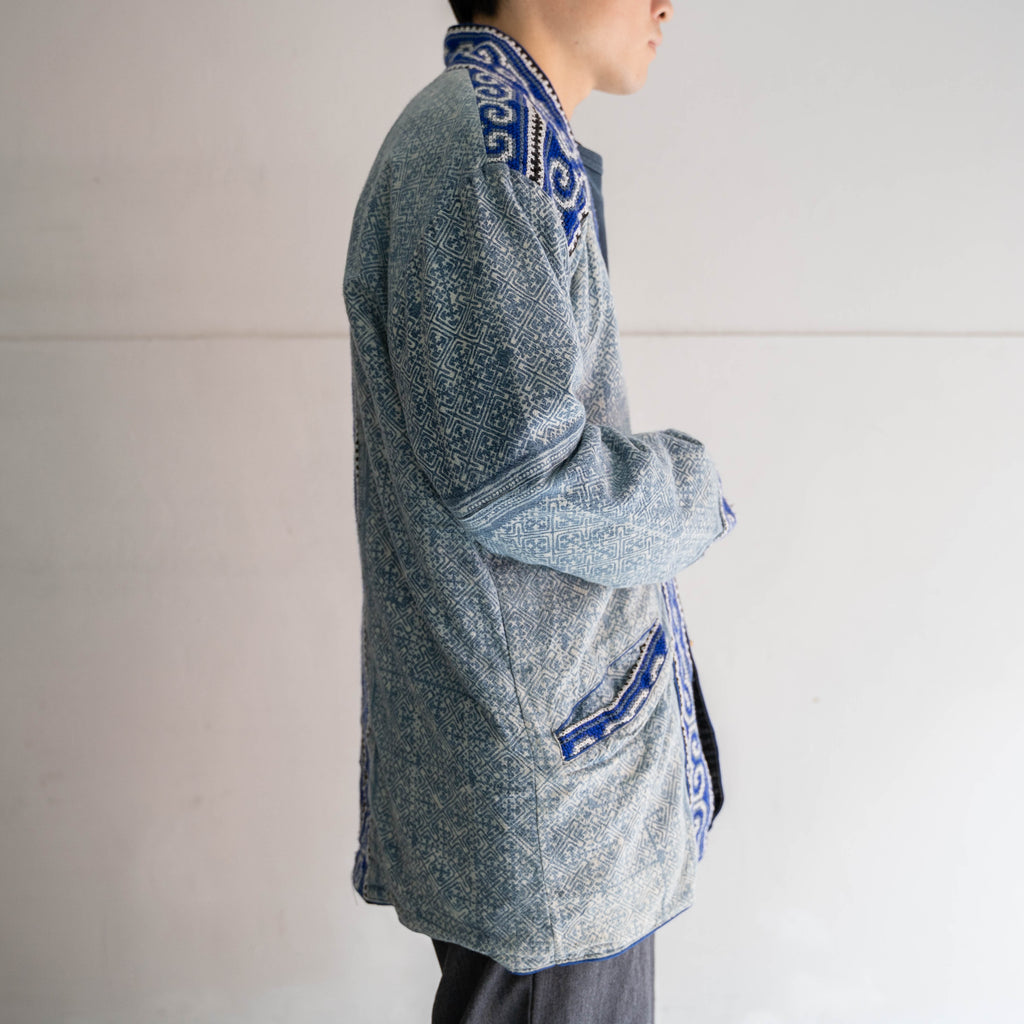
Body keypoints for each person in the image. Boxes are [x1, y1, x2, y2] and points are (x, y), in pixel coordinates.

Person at [342, 1, 736, 1020]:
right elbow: (523, 475)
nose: (667, 3)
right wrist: (691, 490)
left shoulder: (502, 136)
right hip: (551, 806)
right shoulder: (485, 149)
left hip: (550, 783)